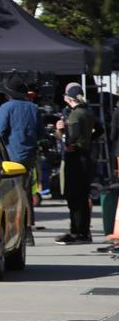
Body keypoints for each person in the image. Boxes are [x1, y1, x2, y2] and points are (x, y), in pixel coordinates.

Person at [0, 78, 44, 245]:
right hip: (29, 156)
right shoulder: (33, 108)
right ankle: (27, 230)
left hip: (12, 156)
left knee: (13, 194)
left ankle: (20, 231)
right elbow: (41, 133)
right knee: (26, 192)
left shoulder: (6, 108)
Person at [54, 83, 95, 245]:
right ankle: (80, 231)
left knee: (74, 197)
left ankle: (78, 232)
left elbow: (72, 138)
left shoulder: (75, 115)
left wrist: (61, 134)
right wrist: (88, 141)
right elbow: (99, 129)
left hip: (76, 159)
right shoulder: (88, 112)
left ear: (69, 99)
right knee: (82, 196)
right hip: (86, 157)